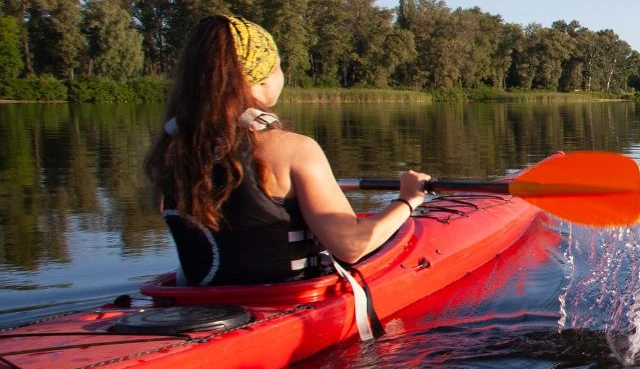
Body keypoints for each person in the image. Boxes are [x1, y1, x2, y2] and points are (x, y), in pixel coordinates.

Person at [143, 15, 431, 286]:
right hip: (287, 299)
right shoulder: (294, 149)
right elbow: (351, 245)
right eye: (278, 65)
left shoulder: (169, 150)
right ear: (262, 78)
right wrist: (407, 200)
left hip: (189, 302)